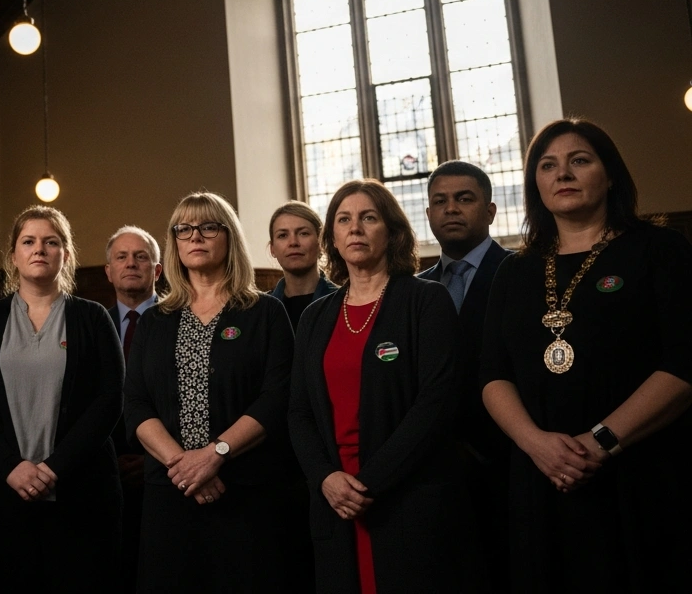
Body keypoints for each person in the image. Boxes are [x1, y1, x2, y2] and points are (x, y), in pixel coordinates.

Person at [480, 118, 692, 591]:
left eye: (580, 161)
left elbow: (683, 363)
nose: (563, 174)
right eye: (548, 165)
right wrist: (537, 444)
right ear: (536, 182)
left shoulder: (660, 249)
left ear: (610, 173)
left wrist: (598, 442)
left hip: (640, 474)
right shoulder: (515, 271)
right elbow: (492, 374)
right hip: (542, 477)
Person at [288, 179, 480, 594]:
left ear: (391, 232)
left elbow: (436, 404)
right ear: (333, 239)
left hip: (406, 497)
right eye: (343, 220)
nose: (355, 228)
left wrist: (368, 483)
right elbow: (298, 412)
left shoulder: (426, 300)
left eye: (368, 218)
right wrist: (326, 479)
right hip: (335, 501)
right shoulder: (315, 317)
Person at [123, 192, 300, 592]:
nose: (195, 236)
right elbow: (135, 403)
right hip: (170, 493)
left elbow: (277, 396)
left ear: (229, 237)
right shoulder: (154, 320)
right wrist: (183, 466)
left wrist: (215, 454)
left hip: (246, 490)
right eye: (183, 229)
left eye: (207, 226)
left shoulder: (265, 313)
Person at [0, 206, 123, 593]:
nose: (39, 249)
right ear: (13, 255)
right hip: (0, 493)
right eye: (28, 241)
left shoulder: (93, 318)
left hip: (79, 494)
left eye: (51, 242)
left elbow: (109, 400)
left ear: (66, 252)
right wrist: (11, 466)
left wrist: (53, 468)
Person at [419, 160, 513, 591]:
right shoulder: (413, 290)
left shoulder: (520, 274)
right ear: (428, 215)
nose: (451, 209)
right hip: (431, 467)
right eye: (440, 201)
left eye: (464, 199)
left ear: (490, 211)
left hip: (507, 459)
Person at [102, 225, 162, 593]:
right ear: (108, 271)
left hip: (166, 470)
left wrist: (154, 458)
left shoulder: (179, 318)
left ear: (157, 270)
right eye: (121, 257)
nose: (131, 263)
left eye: (141, 256)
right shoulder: (91, 323)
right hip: (106, 473)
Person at [266, 201, 336, 330]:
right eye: (283, 235)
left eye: (303, 233)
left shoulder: (342, 301)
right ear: (272, 249)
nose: (293, 242)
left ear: (320, 243)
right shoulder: (262, 309)